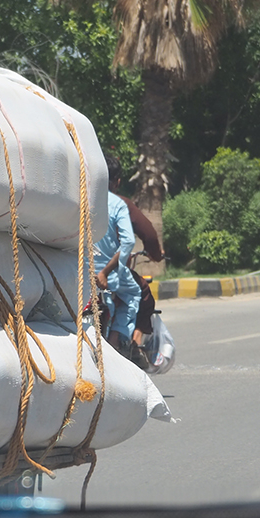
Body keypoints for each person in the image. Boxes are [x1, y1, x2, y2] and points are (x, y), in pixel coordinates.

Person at [94, 156, 145, 364]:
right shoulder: (117, 205)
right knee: (134, 293)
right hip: (106, 274)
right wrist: (106, 272)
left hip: (79, 271)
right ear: (117, 182)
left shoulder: (80, 200)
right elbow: (128, 242)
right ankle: (116, 338)